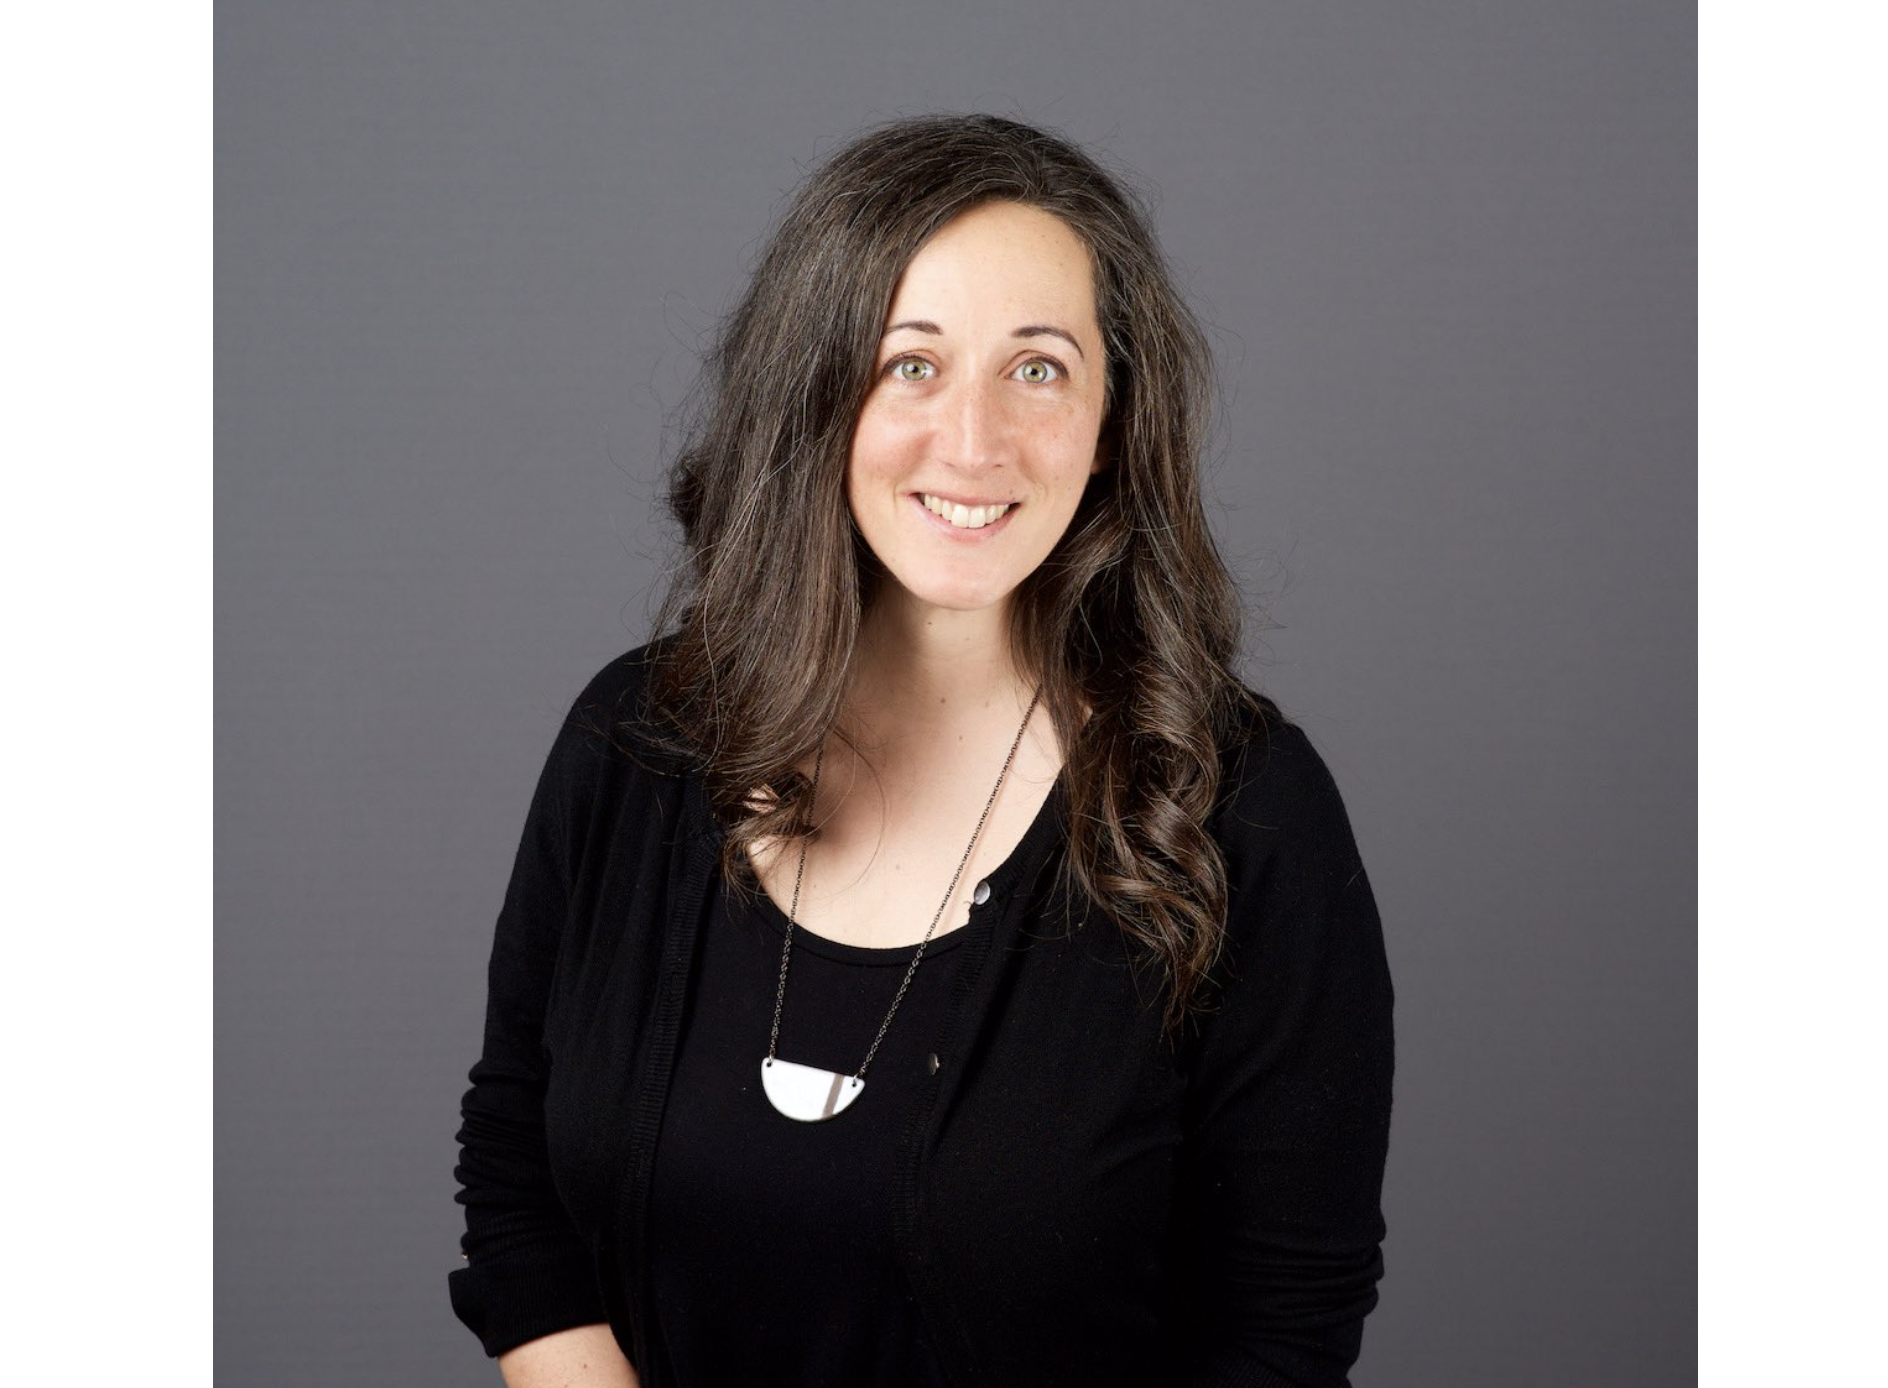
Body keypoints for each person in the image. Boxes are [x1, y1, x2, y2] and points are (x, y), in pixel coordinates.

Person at [449, 113, 1394, 1388]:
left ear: (1114, 416)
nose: (974, 442)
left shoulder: (1244, 817)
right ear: (816, 390)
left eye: (1039, 367)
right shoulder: (635, 743)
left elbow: (1279, 1329)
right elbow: (518, 1186)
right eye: (910, 364)